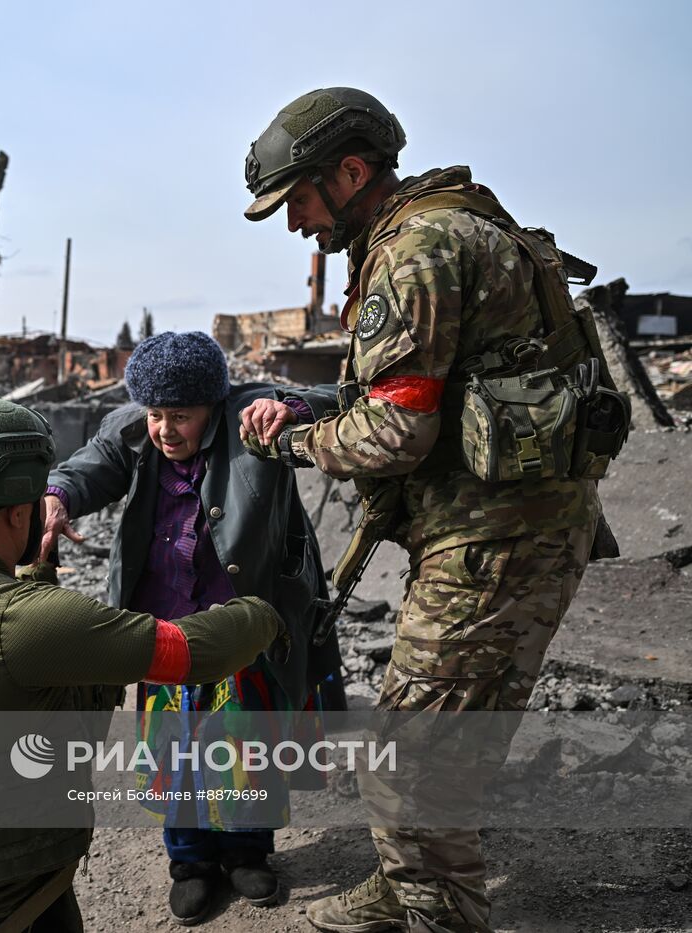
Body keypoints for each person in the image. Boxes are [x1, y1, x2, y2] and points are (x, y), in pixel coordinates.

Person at [239, 87, 611, 933]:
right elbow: (427, 392)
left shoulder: (416, 249)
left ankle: (438, 909)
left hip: (493, 541)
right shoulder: (450, 224)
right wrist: (321, 409)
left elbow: (398, 435)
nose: (296, 223)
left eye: (296, 198)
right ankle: (405, 882)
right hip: (513, 530)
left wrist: (290, 443)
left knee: (411, 756)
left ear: (352, 170)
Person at [0, 398, 290, 932]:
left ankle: (238, 851)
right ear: (18, 513)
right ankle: (195, 853)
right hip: (14, 911)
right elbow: (185, 653)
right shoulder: (26, 621)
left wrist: (36, 577)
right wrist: (266, 612)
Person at [39, 330, 343, 924]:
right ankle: (191, 862)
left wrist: (296, 409)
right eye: (157, 415)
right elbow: (86, 469)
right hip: (164, 628)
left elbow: (344, 395)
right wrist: (57, 495)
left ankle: (247, 851)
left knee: (248, 744)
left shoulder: (251, 416)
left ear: (213, 406)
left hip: (247, 625)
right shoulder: (132, 429)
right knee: (173, 749)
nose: (165, 430)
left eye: (181, 416)